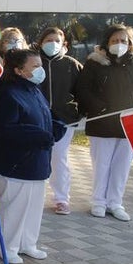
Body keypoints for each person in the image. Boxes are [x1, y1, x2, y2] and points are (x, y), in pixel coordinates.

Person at [76, 23, 133, 221]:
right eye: (115, 40)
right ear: (107, 42)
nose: (119, 44)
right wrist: (100, 108)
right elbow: (83, 90)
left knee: (121, 167)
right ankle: (98, 202)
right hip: (102, 122)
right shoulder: (94, 63)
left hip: (129, 124)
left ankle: (115, 203)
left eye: (123, 40)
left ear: (130, 43)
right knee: (102, 165)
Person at [0, 48, 66, 264]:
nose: (40, 70)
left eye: (40, 65)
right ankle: (7, 246)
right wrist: (40, 135)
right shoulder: (7, 93)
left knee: (33, 208)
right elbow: (5, 128)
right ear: (19, 70)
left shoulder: (34, 90)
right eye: (35, 66)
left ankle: (27, 243)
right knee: (13, 208)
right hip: (16, 163)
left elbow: (46, 115)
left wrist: (56, 125)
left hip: (38, 161)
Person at [0, 27, 29, 216]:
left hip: (18, 119)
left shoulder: (26, 61)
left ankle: (6, 200)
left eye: (17, 40)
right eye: (9, 40)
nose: (13, 43)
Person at [36, 26, 83, 215]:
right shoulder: (34, 61)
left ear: (64, 44)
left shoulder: (71, 64)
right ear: (41, 42)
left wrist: (76, 113)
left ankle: (61, 198)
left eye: (57, 40)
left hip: (63, 120)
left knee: (59, 158)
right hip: (38, 118)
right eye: (48, 40)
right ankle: (36, 195)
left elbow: (84, 91)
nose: (52, 44)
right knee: (37, 158)